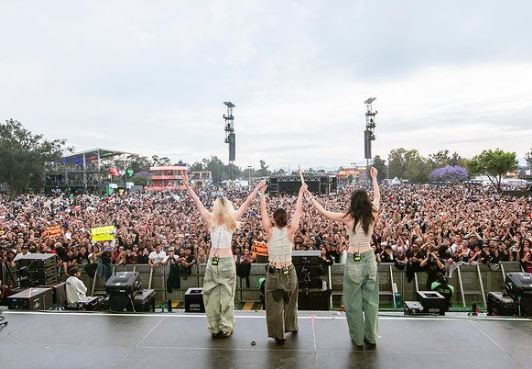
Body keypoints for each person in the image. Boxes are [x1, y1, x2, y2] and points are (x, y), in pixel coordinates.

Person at [307, 167, 380, 350]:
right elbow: (378, 198)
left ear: (353, 203)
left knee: (353, 302)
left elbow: (325, 212)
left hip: (354, 257)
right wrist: (374, 179)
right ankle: (371, 338)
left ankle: (358, 340)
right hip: (369, 258)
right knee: (371, 301)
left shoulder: (348, 218)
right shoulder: (373, 214)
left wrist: (311, 199)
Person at [185, 173, 265, 338]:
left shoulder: (211, 219)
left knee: (210, 295)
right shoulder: (231, 219)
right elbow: (247, 202)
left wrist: (188, 187)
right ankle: (225, 328)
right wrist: (257, 188)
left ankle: (215, 327)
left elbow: (197, 202)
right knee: (226, 297)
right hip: (226, 262)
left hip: (212, 263)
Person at [258, 180, 307, 345]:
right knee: (292, 302)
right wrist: (300, 193)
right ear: (285, 219)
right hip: (289, 271)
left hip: (273, 273)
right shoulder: (291, 231)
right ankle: (292, 326)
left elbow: (263, 211)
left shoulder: (269, 231)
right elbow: (298, 210)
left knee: (274, 306)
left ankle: (279, 336)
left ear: (273, 219)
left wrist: (261, 195)